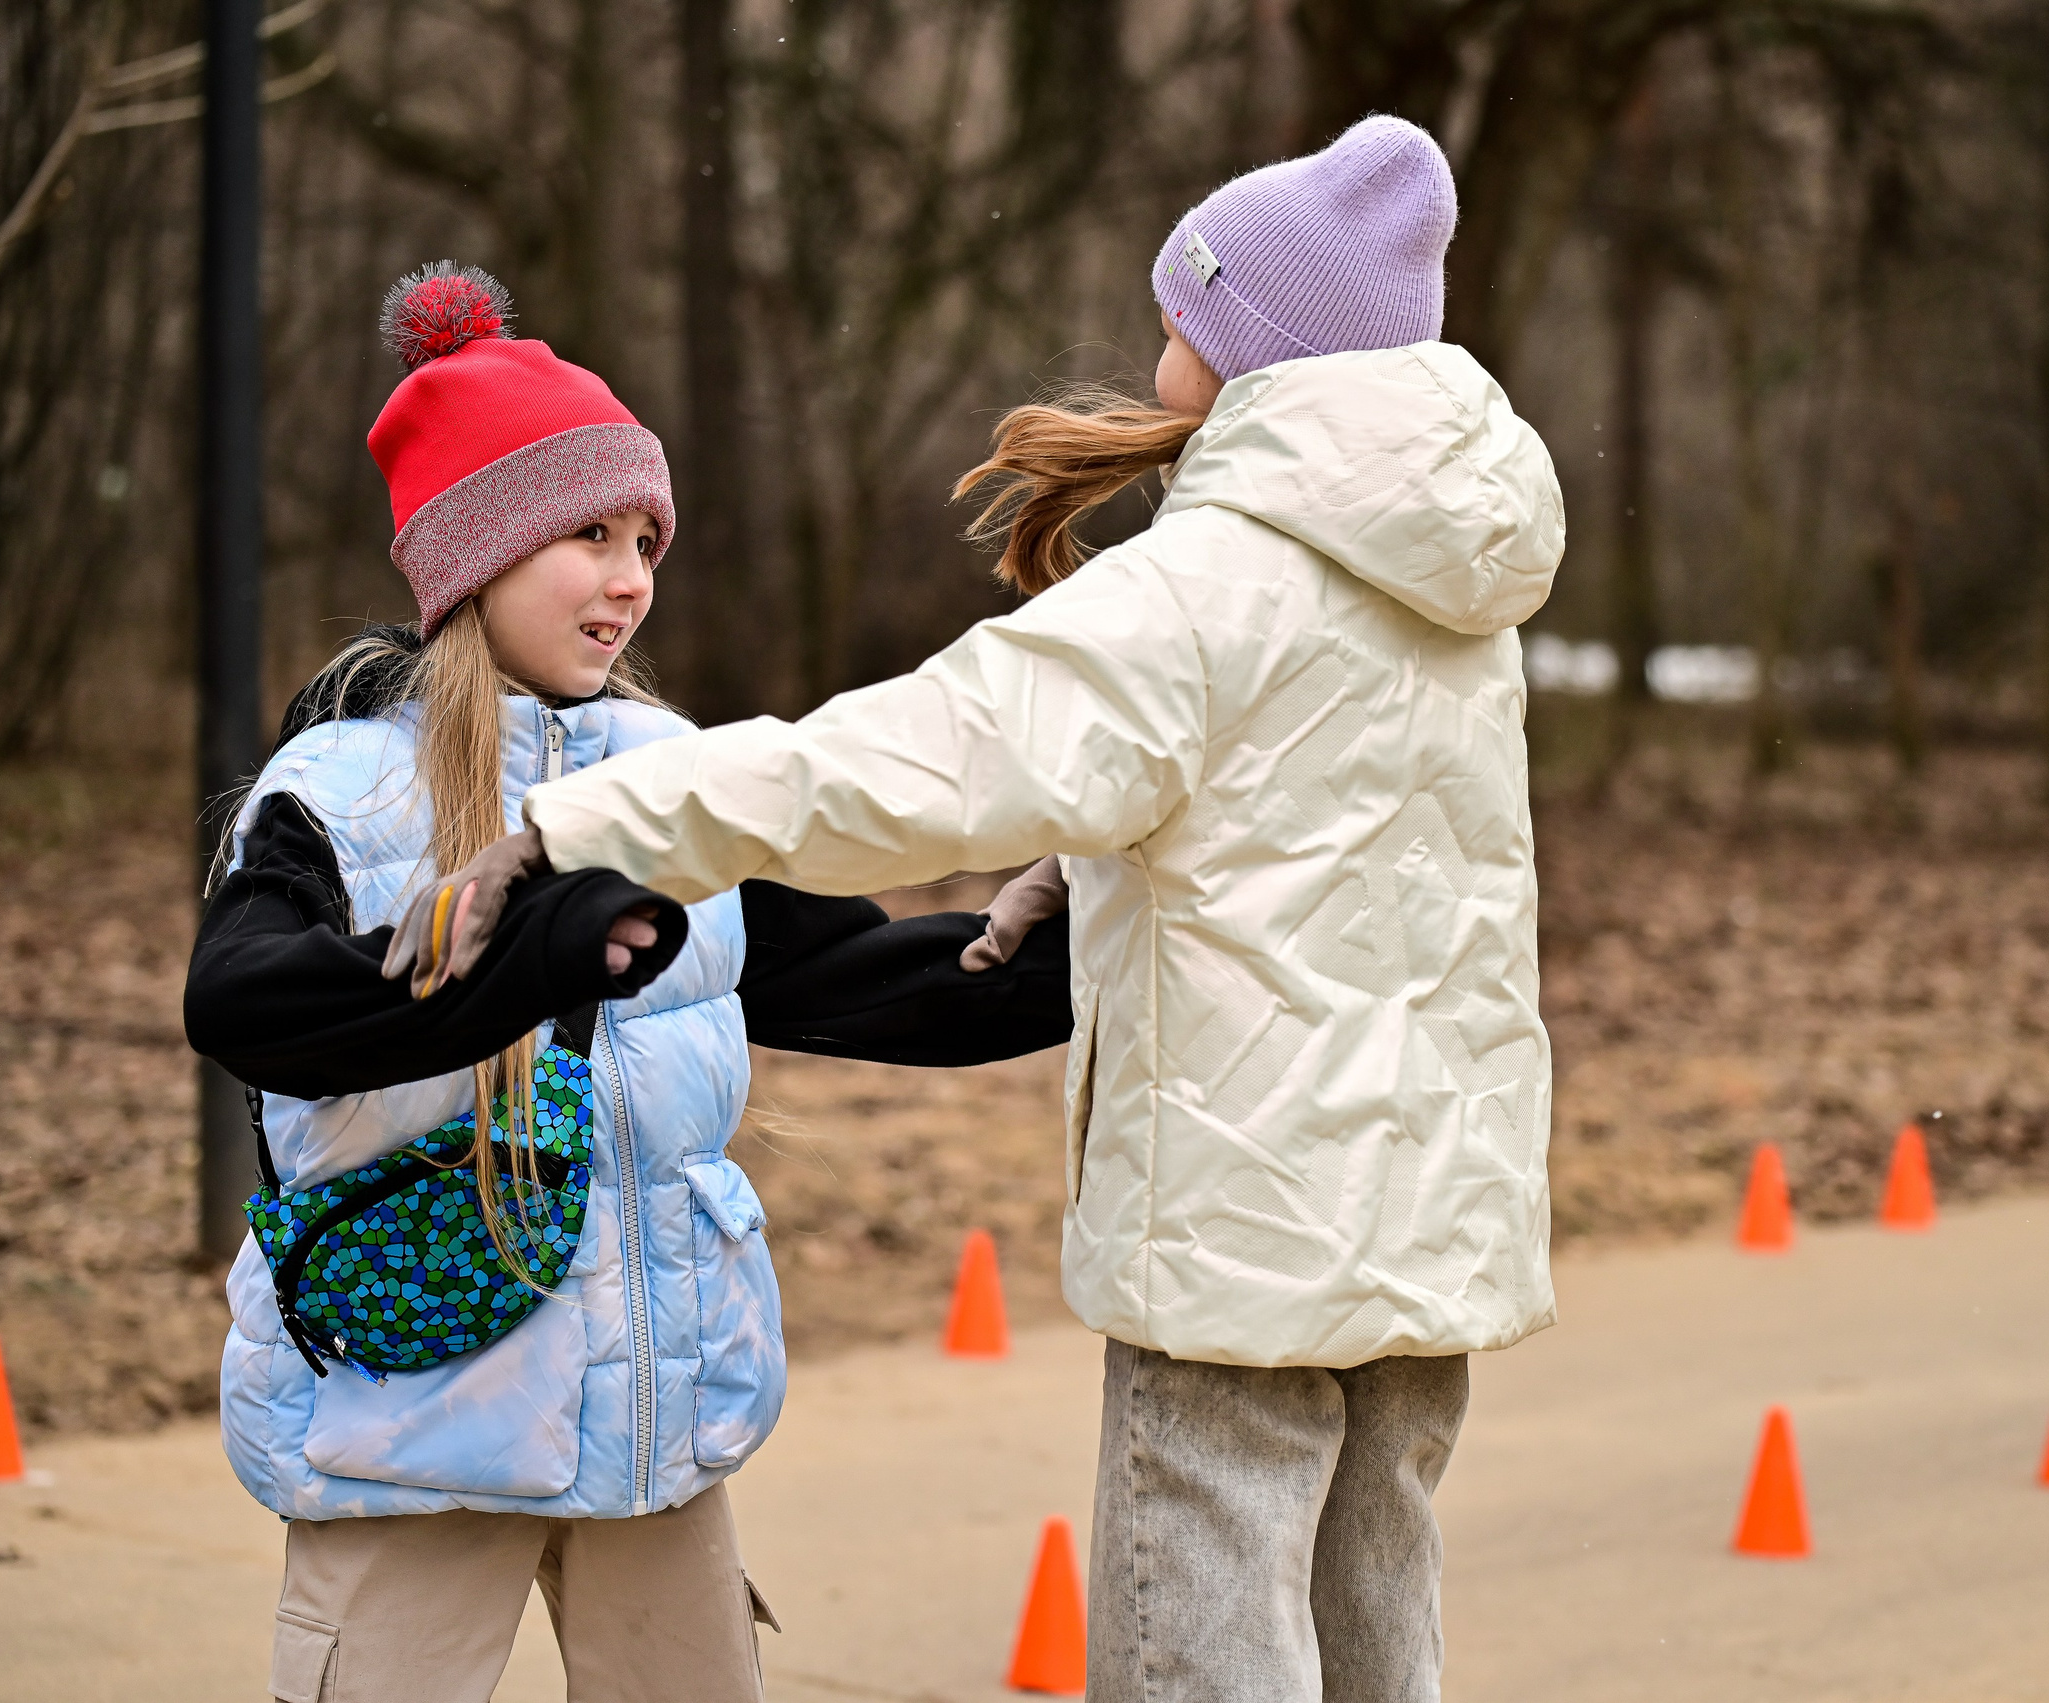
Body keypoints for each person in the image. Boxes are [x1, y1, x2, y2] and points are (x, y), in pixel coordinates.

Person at [405, 115, 1563, 1700]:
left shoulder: (1206, 588)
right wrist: (1100, 851)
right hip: (1427, 1223)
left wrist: (587, 823)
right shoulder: (1454, 587)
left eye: (1183, 316)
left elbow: (905, 759)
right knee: (1378, 1632)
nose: (1158, 347)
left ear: (1253, 352)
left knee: (1206, 1657)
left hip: (1242, 1242)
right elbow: (1343, 821)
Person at [182, 261, 1070, 1703]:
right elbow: (245, 1006)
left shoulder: (673, 780)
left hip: (653, 1439)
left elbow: (862, 976)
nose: (630, 577)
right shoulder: (336, 790)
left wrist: (1100, 950)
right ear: (474, 556)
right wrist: (520, 956)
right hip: (413, 1441)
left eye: (646, 538)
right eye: (588, 534)